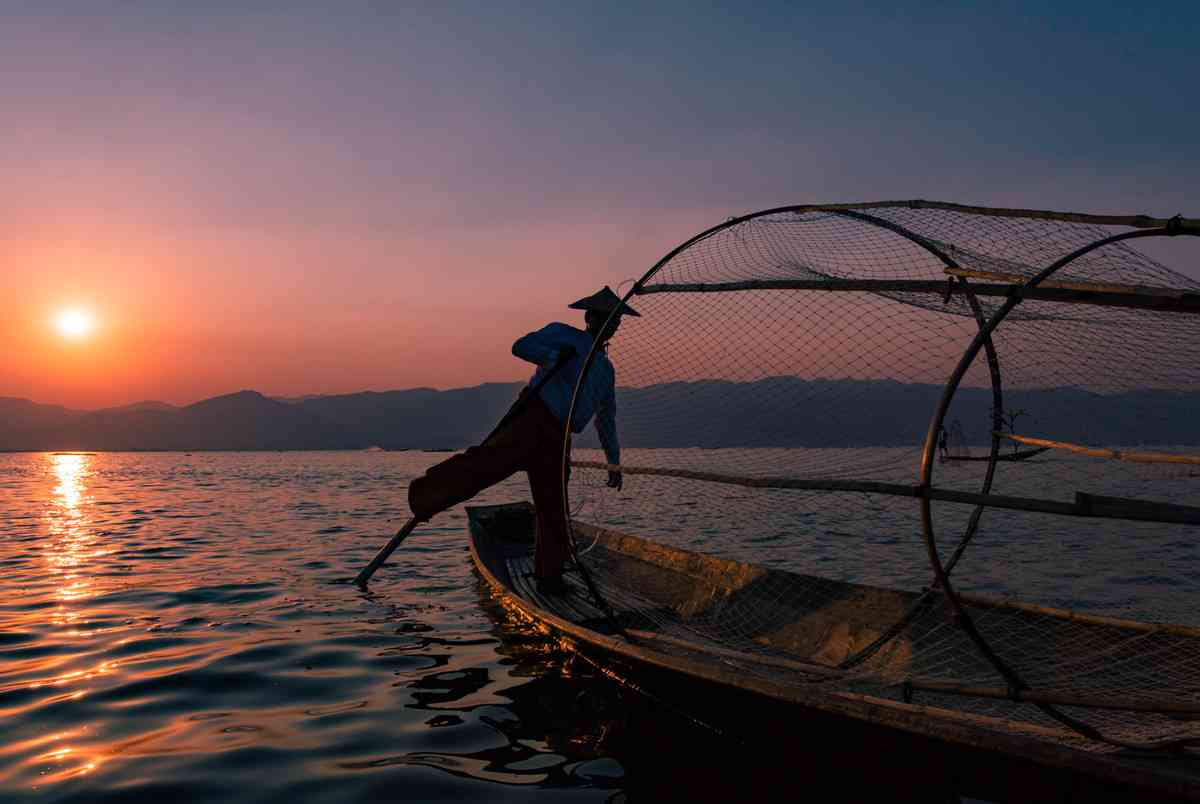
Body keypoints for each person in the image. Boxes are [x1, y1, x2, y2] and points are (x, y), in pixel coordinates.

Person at [407, 286, 637, 595]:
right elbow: (521, 346)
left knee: (554, 508)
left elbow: (606, 418)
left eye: (615, 321)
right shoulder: (565, 336)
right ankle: (424, 496)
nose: (611, 325)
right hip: (532, 417)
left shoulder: (605, 371)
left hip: (559, 437)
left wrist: (613, 461)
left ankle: (549, 576)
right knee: (484, 465)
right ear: (590, 317)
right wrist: (552, 355)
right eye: (606, 318)